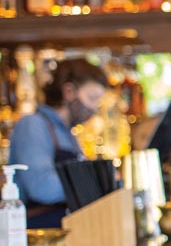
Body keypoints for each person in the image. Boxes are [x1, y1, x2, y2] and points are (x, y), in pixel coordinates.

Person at [8, 56, 108, 227]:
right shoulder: (33, 124)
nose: (94, 108)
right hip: (39, 234)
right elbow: (41, 187)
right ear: (69, 91)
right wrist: (96, 181)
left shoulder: (68, 133)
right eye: (92, 98)